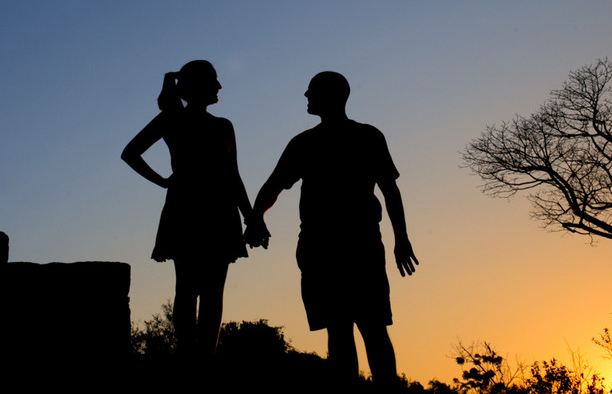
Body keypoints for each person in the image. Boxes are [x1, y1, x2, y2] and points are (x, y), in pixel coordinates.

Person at [253, 71, 417, 389]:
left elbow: (390, 190)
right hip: (333, 246)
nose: (305, 95)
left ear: (331, 96)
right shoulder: (317, 141)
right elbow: (273, 186)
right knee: (354, 329)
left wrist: (402, 238)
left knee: (358, 329)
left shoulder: (336, 140)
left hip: (348, 244)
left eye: (312, 91)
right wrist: (256, 217)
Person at [121, 60, 264, 357]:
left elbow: (233, 175)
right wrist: (161, 181)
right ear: (199, 86)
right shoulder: (181, 120)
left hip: (202, 207)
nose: (220, 87)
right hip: (198, 208)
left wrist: (252, 218)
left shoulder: (204, 123)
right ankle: (193, 357)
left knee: (197, 289)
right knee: (197, 290)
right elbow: (130, 153)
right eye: (214, 80)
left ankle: (199, 357)